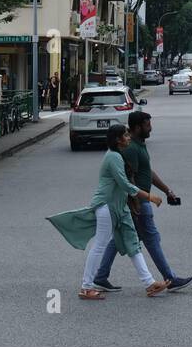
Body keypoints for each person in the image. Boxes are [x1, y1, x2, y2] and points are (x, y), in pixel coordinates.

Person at [47, 123, 170, 300]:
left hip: (120, 207)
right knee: (100, 244)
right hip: (106, 206)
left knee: (132, 243)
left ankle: (149, 283)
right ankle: (86, 287)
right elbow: (124, 184)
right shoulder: (113, 157)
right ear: (118, 140)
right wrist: (149, 197)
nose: (128, 138)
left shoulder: (118, 155)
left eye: (128, 134)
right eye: (125, 136)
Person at [91, 111, 192, 293]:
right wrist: (137, 202)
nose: (151, 128)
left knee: (121, 238)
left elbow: (148, 172)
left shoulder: (138, 145)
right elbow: (127, 178)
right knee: (151, 238)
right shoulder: (130, 148)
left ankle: (100, 275)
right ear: (137, 127)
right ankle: (169, 278)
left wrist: (167, 190)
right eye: (147, 125)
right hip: (138, 202)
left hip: (138, 200)